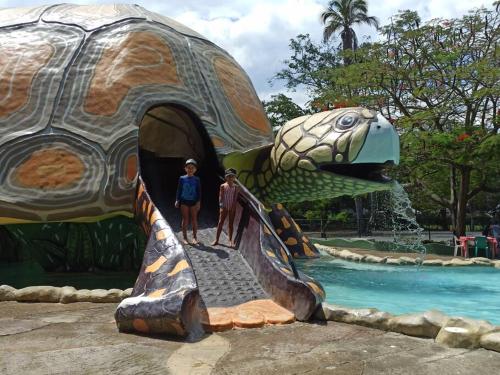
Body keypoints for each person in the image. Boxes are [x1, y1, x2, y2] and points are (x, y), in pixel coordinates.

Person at [175, 159, 201, 245]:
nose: (190, 169)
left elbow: (199, 191)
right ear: (185, 168)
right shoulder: (182, 178)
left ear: (195, 169)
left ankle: (194, 237)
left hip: (193, 202)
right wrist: (177, 200)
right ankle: (185, 238)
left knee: (194, 219)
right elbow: (179, 190)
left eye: (192, 168)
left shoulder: (197, 179)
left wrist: (198, 202)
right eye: (188, 168)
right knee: (185, 219)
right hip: (184, 201)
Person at [212, 168, 240, 248]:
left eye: (232, 176)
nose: (230, 178)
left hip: (232, 207)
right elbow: (221, 196)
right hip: (224, 206)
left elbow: (235, 198)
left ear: (234, 177)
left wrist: (233, 207)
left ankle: (230, 240)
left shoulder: (236, 187)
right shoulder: (223, 186)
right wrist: (221, 205)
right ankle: (217, 239)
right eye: (229, 176)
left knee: (231, 223)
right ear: (226, 177)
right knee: (220, 222)